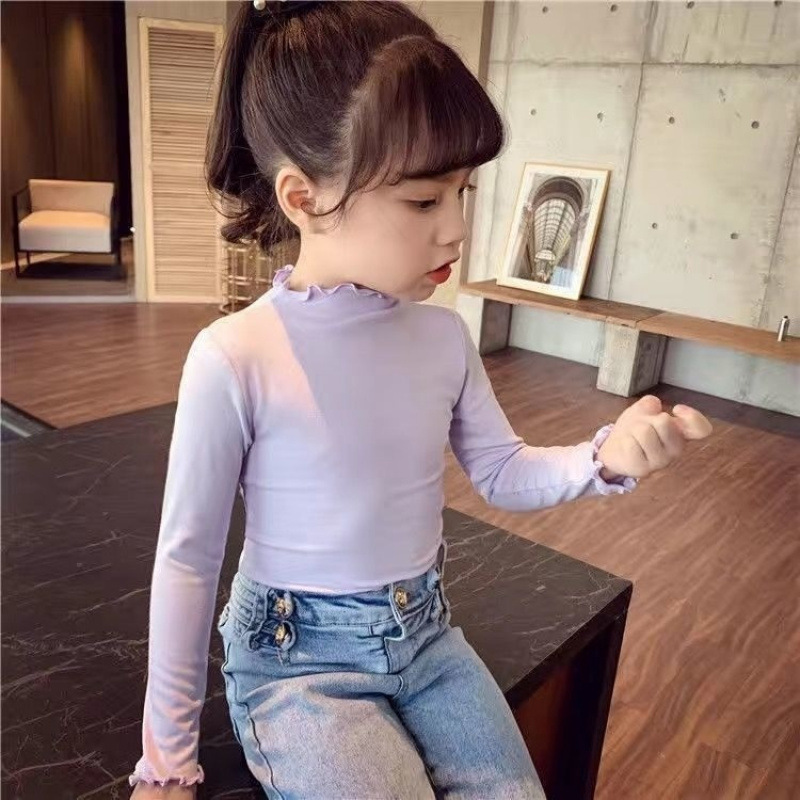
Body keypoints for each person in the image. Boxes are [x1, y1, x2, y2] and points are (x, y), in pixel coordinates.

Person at [129, 2, 712, 798]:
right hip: (297, 662)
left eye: (464, 192)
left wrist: (601, 457)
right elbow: (188, 560)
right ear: (303, 197)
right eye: (424, 201)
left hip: (429, 637)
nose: (457, 229)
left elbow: (502, 471)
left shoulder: (442, 337)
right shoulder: (234, 356)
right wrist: (166, 764)